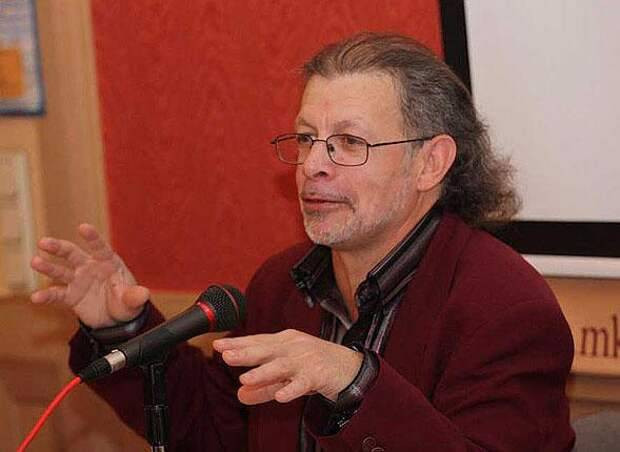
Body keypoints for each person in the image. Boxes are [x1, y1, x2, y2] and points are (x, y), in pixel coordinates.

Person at [30, 33, 575, 451]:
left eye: (349, 142)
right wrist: (121, 328)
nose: (313, 165)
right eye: (308, 138)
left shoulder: (504, 308)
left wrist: (354, 382)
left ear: (430, 163)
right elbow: (215, 432)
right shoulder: (283, 283)